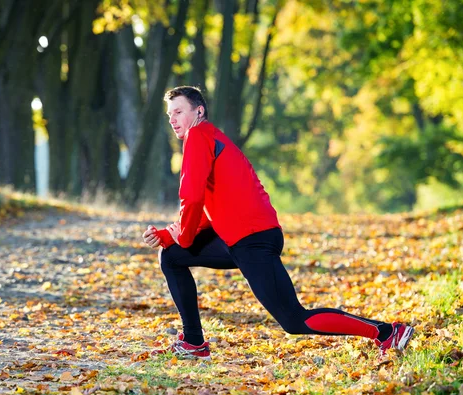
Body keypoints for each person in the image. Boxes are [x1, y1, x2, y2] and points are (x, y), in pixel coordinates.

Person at [142, 86, 414, 361]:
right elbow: (205, 204)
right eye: (169, 114)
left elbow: (191, 194)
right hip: (236, 237)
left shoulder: (198, 135)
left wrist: (184, 237)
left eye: (178, 112)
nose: (172, 119)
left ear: (198, 111)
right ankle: (193, 342)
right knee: (172, 256)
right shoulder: (208, 136)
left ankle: (387, 332)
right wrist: (169, 236)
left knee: (295, 320)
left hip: (252, 239)